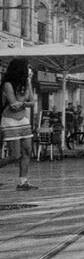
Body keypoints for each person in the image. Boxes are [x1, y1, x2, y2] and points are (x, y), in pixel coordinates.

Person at [1, 58, 36, 190]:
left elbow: (32, 103)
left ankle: (23, 182)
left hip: (23, 120)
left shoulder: (26, 84)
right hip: (10, 120)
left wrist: (28, 83)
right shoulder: (7, 84)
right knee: (15, 155)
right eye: (28, 67)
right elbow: (13, 104)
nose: (29, 70)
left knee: (27, 151)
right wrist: (24, 103)